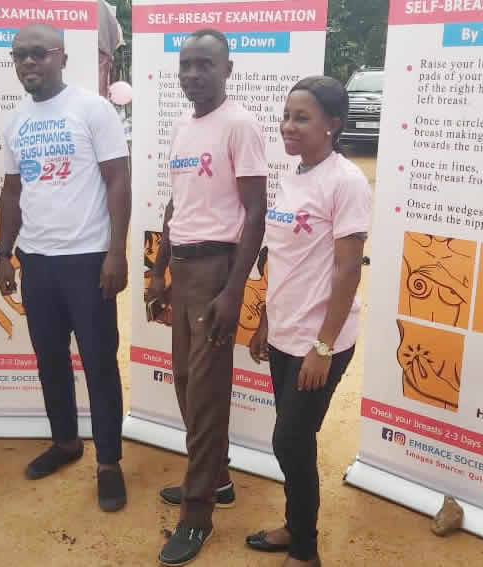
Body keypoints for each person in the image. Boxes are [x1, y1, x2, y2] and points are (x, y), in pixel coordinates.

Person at [0, 23, 131, 512]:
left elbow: (118, 180)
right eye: (20, 55)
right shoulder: (15, 120)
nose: (28, 63)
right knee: (50, 358)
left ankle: (109, 462)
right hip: (37, 260)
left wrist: (117, 251)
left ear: (62, 58)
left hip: (88, 259)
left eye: (39, 53)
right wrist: (4, 252)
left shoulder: (92, 109)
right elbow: (13, 190)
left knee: (98, 362)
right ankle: (66, 441)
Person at [146, 29, 268, 566]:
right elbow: (177, 206)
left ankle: (197, 515)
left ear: (227, 70)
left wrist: (233, 290)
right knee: (185, 382)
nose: (193, 75)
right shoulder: (182, 126)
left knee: (206, 394)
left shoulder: (239, 124)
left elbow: (256, 211)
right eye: (186, 65)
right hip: (185, 267)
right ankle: (217, 479)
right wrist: (158, 271)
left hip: (219, 269)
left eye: (205, 65)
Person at [244, 76, 371, 567]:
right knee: (294, 442)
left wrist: (323, 346)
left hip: (320, 342)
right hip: (284, 332)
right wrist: (265, 322)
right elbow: (283, 259)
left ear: (332, 124)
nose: (288, 126)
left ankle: (305, 550)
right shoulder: (293, 175)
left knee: (290, 441)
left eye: (302, 118)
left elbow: (347, 271)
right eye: (286, 116)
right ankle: (294, 526)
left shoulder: (346, 182)